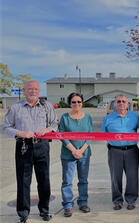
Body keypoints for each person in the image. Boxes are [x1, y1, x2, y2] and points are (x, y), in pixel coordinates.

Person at [4, 80, 58, 223]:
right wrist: (21, 132)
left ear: (40, 91)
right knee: (23, 181)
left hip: (42, 146)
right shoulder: (16, 107)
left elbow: (54, 123)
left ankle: (44, 210)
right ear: (25, 90)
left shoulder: (47, 106)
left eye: (36, 89)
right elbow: (6, 127)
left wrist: (47, 129)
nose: (33, 91)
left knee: (44, 180)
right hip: (23, 146)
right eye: (30, 89)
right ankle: (23, 214)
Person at [102, 95, 139, 211]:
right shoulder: (108, 118)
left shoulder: (135, 116)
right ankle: (117, 201)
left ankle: (131, 200)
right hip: (115, 151)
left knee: (132, 177)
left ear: (128, 103)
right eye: (119, 101)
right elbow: (103, 134)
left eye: (124, 101)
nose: (121, 103)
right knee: (115, 177)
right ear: (115, 103)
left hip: (132, 150)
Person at [59, 92, 93, 217]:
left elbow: (90, 136)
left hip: (84, 153)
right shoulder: (65, 117)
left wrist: (81, 150)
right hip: (68, 154)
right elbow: (62, 135)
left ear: (82, 103)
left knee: (83, 180)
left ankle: (83, 202)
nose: (76, 104)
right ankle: (68, 205)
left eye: (79, 101)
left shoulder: (88, 117)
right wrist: (74, 150)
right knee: (67, 181)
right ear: (70, 103)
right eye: (74, 102)